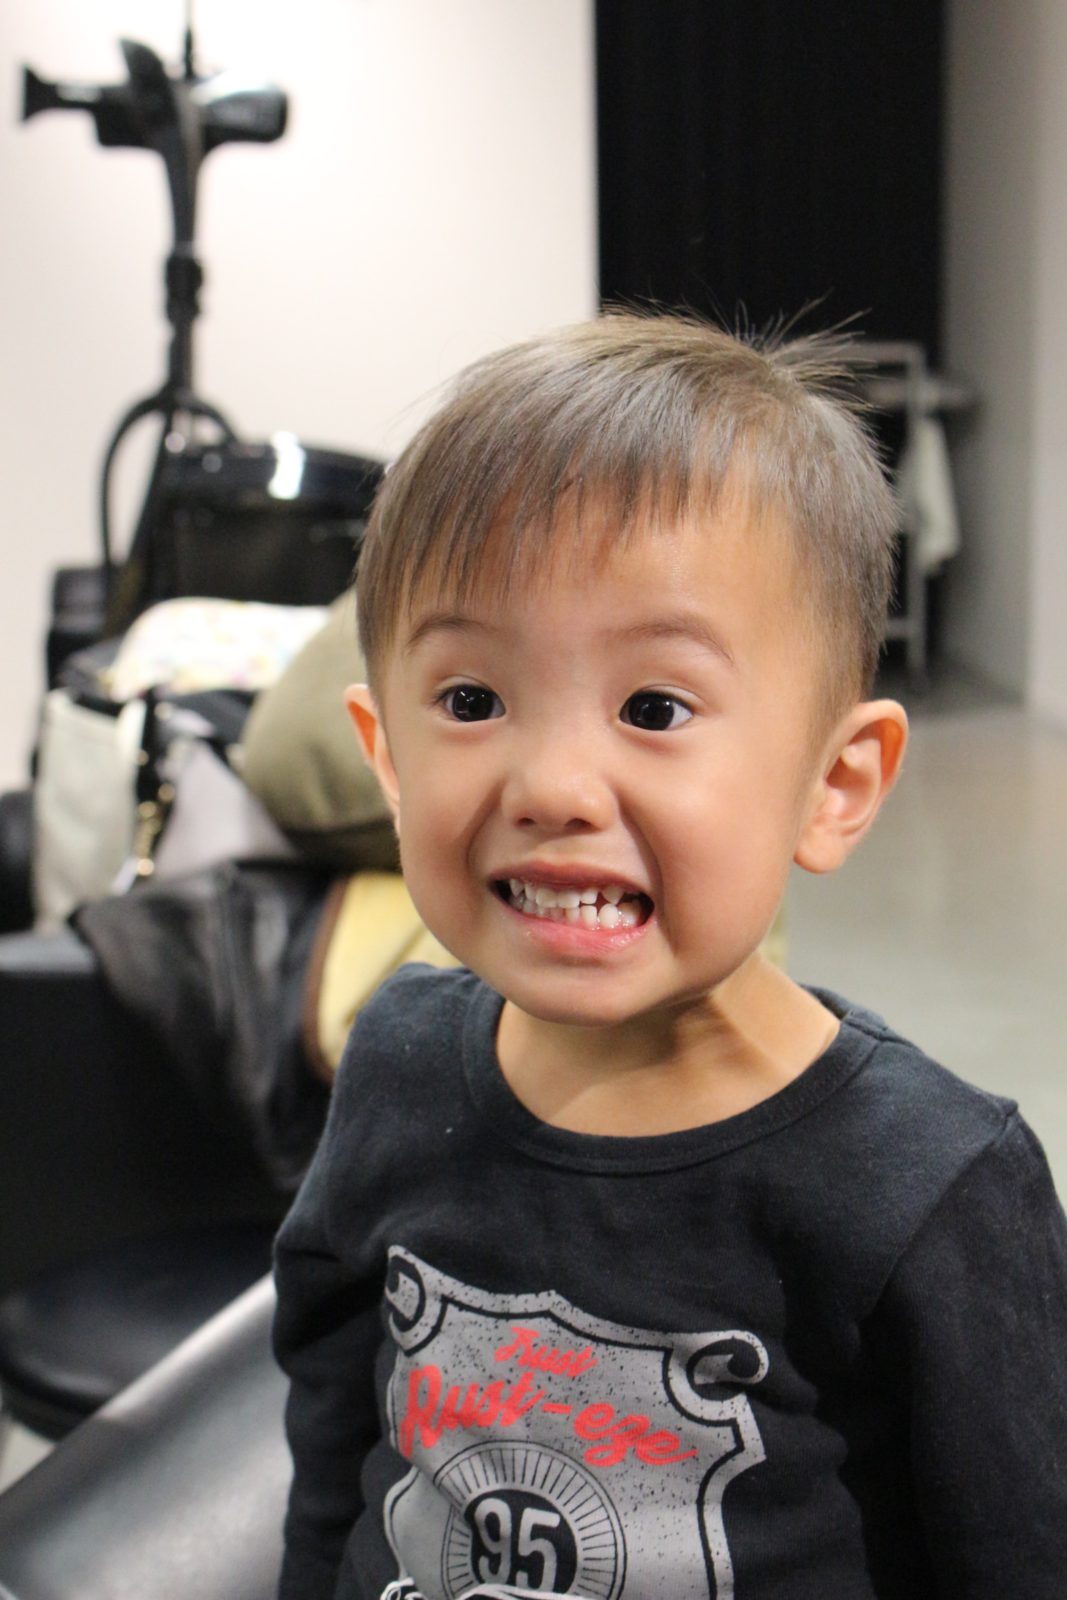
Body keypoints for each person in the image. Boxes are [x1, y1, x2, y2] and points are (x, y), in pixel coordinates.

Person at [272, 312, 1067, 1600]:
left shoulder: (932, 1187)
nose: (553, 786)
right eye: (471, 701)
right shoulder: (399, 1059)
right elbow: (332, 1431)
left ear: (834, 784)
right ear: (388, 757)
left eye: (654, 707)